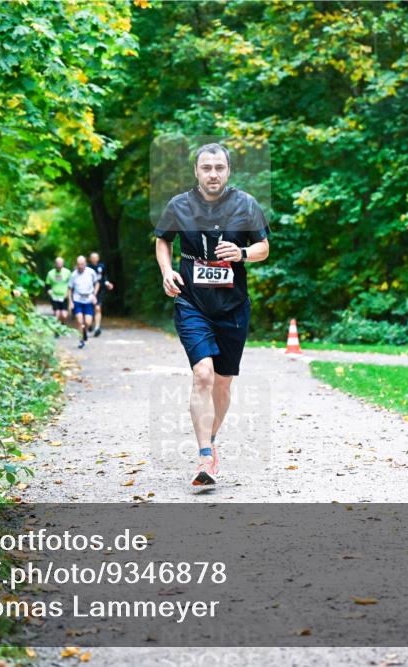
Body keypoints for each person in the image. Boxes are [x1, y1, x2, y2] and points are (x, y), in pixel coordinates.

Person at [154, 143, 270, 491]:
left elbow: (264, 248)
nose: (213, 173)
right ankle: (205, 455)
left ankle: (212, 439)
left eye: (219, 167)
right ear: (197, 172)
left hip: (233, 308)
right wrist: (166, 271)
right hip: (192, 303)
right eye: (206, 167)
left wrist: (242, 252)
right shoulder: (179, 205)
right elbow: (163, 241)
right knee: (202, 374)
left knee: (222, 382)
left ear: (228, 171)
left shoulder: (246, 204)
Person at [68, 254, 99, 349]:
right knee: (79, 320)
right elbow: (69, 289)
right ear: (76, 264)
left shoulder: (91, 272)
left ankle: (85, 330)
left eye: (82, 264)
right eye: (78, 264)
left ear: (85, 263)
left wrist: (94, 295)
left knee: (88, 322)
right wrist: (70, 302)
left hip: (88, 299)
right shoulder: (73, 275)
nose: (80, 266)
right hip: (77, 299)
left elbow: (97, 283)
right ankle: (81, 340)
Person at [88, 251, 114, 337]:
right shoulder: (87, 268)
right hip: (89, 291)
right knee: (90, 309)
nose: (94, 259)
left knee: (98, 308)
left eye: (96, 257)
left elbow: (104, 277)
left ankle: (97, 328)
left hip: (100, 290)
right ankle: (89, 324)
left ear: (98, 258)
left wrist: (107, 283)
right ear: (90, 259)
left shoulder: (101, 266)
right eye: (93, 257)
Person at [46, 256, 71, 330]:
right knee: (57, 313)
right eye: (57, 263)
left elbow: (71, 284)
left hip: (64, 296)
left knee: (64, 315)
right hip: (55, 296)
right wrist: (49, 291)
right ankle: (57, 329)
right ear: (55, 264)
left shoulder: (67, 272)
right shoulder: (50, 273)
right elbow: (47, 285)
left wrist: (68, 293)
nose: (59, 264)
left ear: (63, 264)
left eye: (60, 263)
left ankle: (62, 323)